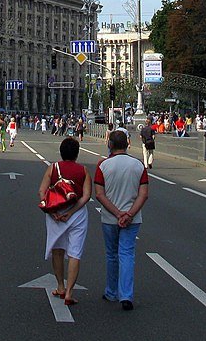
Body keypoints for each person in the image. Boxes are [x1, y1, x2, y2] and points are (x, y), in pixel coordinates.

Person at [94, 128, 149, 311]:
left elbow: (99, 194)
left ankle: (111, 292)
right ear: (127, 144)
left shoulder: (103, 166)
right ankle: (126, 295)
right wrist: (129, 214)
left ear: (110, 145)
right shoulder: (138, 165)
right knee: (127, 254)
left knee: (112, 255)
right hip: (132, 219)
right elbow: (143, 195)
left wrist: (117, 214)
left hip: (110, 218)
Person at [40, 136, 93, 306]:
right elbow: (86, 196)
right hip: (76, 214)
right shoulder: (83, 170)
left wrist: (53, 210)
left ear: (61, 153)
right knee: (74, 253)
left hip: (55, 214)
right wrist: (71, 212)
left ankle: (60, 286)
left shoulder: (52, 168)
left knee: (57, 249)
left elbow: (42, 191)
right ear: (77, 154)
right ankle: (70, 292)